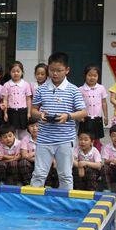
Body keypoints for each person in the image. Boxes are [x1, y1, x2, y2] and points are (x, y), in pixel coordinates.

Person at [30, 51, 87, 189]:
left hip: (65, 139)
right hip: (44, 139)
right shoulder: (41, 89)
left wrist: (68, 116)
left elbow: (83, 112)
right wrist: (40, 115)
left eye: (59, 70)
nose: (55, 74)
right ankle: (33, 200)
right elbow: (33, 110)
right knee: (39, 174)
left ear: (67, 70)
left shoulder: (73, 90)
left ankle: (65, 201)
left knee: (65, 175)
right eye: (52, 70)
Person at [78, 65, 108, 151]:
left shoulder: (101, 88)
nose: (92, 78)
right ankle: (84, 154)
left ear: (98, 76)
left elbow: (104, 103)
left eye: (95, 75)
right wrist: (79, 116)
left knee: (97, 139)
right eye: (89, 75)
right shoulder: (80, 89)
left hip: (97, 118)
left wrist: (106, 116)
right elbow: (78, 104)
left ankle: (97, 154)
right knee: (84, 138)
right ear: (85, 75)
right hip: (85, 118)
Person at [1, 61, 33, 138]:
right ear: (10, 73)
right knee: (12, 132)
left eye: (18, 71)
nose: (15, 73)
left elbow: (28, 99)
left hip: (22, 111)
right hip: (11, 111)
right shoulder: (7, 85)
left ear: (22, 72)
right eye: (13, 71)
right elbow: (5, 100)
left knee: (23, 133)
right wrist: (5, 113)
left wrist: (29, 113)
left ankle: (23, 145)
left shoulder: (26, 84)